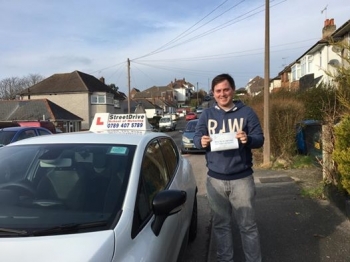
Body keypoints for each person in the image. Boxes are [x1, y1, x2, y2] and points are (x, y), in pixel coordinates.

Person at [193, 73, 264, 262]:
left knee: (248, 226)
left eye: (226, 89)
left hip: (242, 179)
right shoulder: (207, 114)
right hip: (215, 180)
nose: (222, 94)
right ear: (213, 93)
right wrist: (201, 141)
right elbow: (196, 138)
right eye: (218, 91)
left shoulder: (247, 113)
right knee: (221, 225)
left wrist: (247, 139)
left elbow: (260, 139)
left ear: (232, 90)